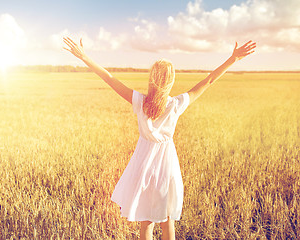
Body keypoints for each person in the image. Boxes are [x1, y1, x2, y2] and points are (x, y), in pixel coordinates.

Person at [64, 37, 256, 240]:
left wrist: (84, 57)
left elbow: (110, 79)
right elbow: (208, 81)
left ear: (151, 79)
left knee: (146, 223)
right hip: (166, 166)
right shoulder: (176, 105)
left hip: (143, 164)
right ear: (171, 80)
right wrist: (233, 59)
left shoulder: (139, 101)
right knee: (167, 222)